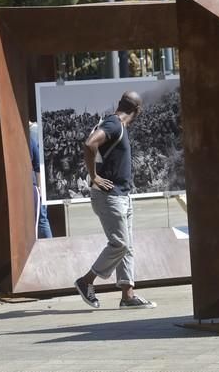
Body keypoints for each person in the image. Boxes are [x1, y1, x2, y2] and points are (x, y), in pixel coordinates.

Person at [74, 91, 156, 309]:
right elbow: (90, 144)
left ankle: (128, 296)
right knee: (119, 244)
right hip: (109, 196)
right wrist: (94, 177)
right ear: (137, 111)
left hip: (121, 194)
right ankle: (86, 281)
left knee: (127, 246)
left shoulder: (118, 125)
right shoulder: (115, 125)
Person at [29, 121, 53, 239]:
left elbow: (38, 165)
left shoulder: (31, 133)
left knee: (41, 218)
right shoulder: (35, 131)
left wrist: (39, 186)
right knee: (42, 218)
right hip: (41, 181)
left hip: (37, 183)